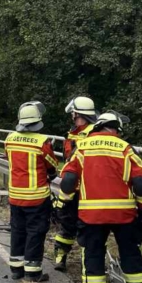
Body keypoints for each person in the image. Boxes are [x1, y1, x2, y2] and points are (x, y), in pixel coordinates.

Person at [59, 112, 142, 283]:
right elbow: (141, 185)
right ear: (115, 128)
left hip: (91, 215)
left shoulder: (82, 147)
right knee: (130, 253)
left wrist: (65, 206)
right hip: (124, 215)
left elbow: (67, 182)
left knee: (92, 254)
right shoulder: (126, 149)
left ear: (98, 126)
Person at [4, 101, 59, 282]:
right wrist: (51, 174)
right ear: (37, 121)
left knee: (17, 231)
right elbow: (51, 164)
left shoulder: (9, 139)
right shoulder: (42, 142)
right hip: (36, 197)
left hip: (15, 195)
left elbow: (9, 159)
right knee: (35, 232)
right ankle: (33, 272)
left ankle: (16, 269)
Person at [53, 96, 98, 272]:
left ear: (78, 113)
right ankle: (60, 257)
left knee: (87, 228)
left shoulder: (94, 132)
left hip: (89, 189)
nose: (71, 116)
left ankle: (89, 264)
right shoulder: (74, 132)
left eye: (73, 113)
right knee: (66, 223)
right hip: (72, 186)